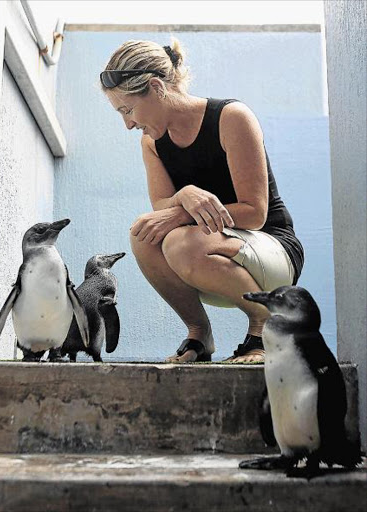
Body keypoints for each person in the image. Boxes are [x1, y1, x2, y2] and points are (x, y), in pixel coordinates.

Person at [100, 38, 304, 364]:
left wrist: (182, 215)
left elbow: (255, 213)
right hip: (209, 260)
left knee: (182, 242)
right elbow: (160, 209)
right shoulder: (151, 142)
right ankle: (199, 333)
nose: (128, 123)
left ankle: (265, 325)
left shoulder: (231, 117)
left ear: (155, 87)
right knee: (143, 234)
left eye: (128, 109)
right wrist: (183, 196)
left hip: (271, 254)